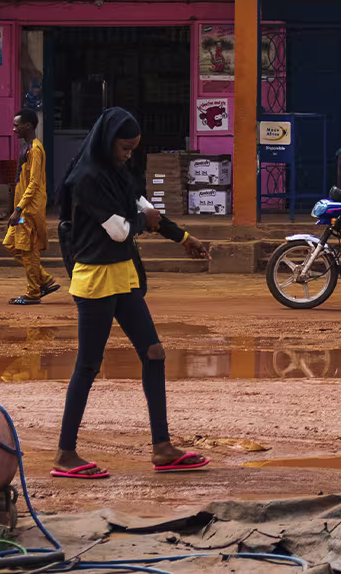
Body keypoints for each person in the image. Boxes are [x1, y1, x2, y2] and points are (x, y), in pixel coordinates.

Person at [52, 107, 212, 480]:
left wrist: (184, 238)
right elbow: (121, 230)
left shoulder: (117, 172)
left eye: (133, 149)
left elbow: (144, 207)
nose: (128, 154)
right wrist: (146, 221)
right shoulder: (87, 178)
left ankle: (162, 448)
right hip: (95, 278)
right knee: (88, 366)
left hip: (122, 275)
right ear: (108, 141)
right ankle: (65, 453)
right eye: (125, 148)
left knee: (154, 353)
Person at [5, 110, 59, 305]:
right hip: (22, 208)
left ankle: (33, 292)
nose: (14, 129)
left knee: (28, 249)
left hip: (28, 209)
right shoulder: (26, 148)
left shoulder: (35, 150)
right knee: (11, 244)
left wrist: (18, 209)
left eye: (16, 125)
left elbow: (34, 183)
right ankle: (44, 279)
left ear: (27, 125)